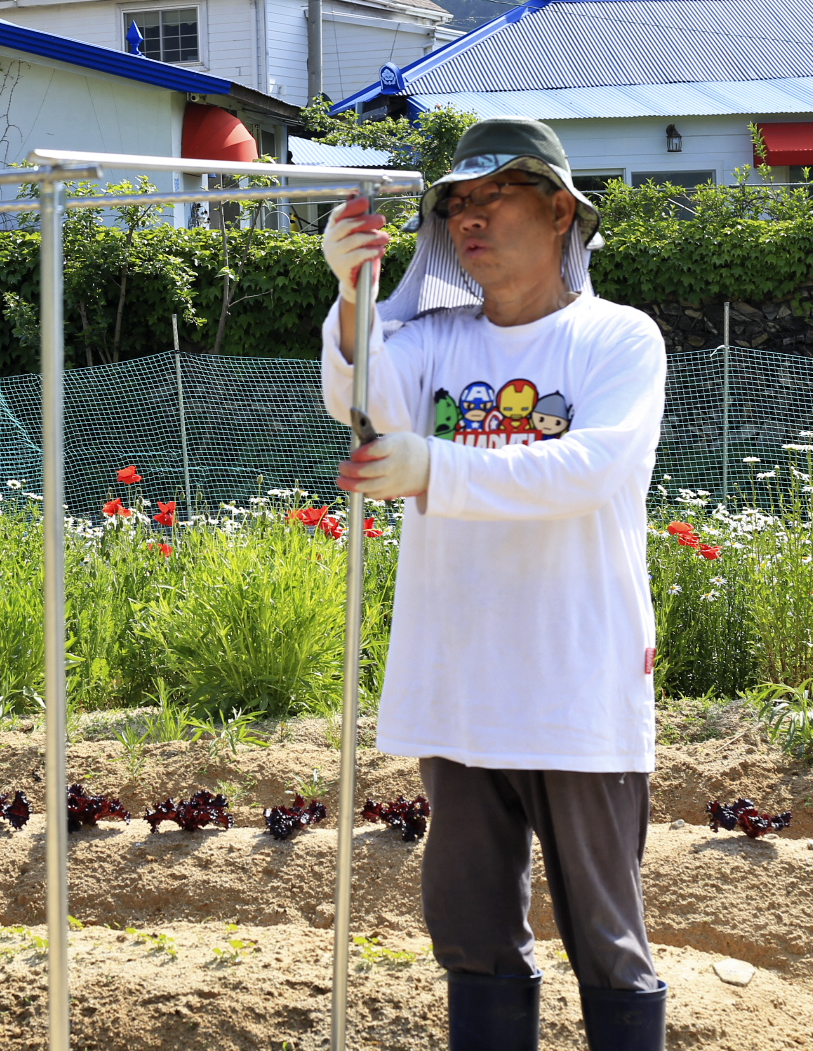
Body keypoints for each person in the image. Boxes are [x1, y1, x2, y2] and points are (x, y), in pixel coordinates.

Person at [318, 117, 668, 1051]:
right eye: (457, 204)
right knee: (471, 937)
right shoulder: (433, 341)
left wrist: (435, 465)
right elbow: (364, 398)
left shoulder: (616, 339)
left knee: (608, 942)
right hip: (461, 686)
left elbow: (589, 468)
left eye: (495, 195)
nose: (470, 218)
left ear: (560, 213)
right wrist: (353, 294)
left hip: (575, 682)